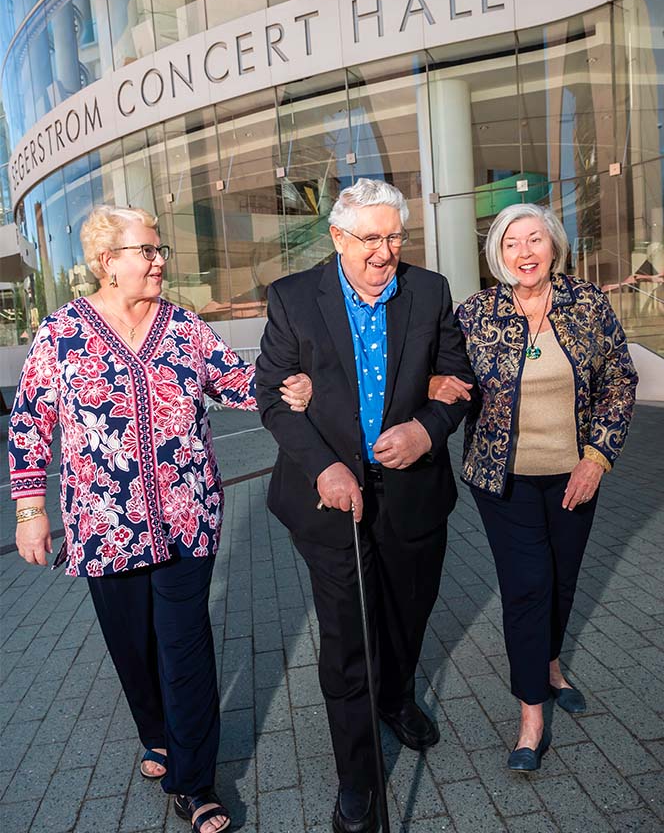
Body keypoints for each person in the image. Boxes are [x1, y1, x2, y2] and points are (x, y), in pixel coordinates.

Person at [8, 205, 311, 833]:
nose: (158, 261)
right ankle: (158, 734)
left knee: (186, 648)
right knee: (133, 649)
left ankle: (194, 782)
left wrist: (286, 386)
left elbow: (236, 382)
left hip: (186, 517)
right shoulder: (62, 332)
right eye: (145, 250)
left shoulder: (183, 326)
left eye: (158, 249)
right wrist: (30, 509)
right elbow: (30, 423)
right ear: (106, 263)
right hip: (103, 525)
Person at [256, 179, 475, 833]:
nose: (385, 252)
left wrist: (426, 429)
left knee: (407, 612)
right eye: (370, 238)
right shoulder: (294, 298)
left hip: (413, 496)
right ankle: (358, 783)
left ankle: (398, 696)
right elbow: (272, 395)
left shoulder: (429, 290)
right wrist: (323, 464)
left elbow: (459, 382)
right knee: (348, 641)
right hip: (329, 505)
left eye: (395, 236)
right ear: (337, 238)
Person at [430, 203, 638, 772]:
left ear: (554, 247)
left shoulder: (588, 303)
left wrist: (598, 456)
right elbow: (436, 369)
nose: (524, 252)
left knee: (563, 579)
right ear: (498, 255)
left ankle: (549, 663)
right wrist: (435, 384)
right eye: (511, 243)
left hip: (576, 472)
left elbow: (620, 380)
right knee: (527, 585)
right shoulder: (476, 314)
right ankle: (531, 714)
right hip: (504, 479)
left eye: (534, 240)